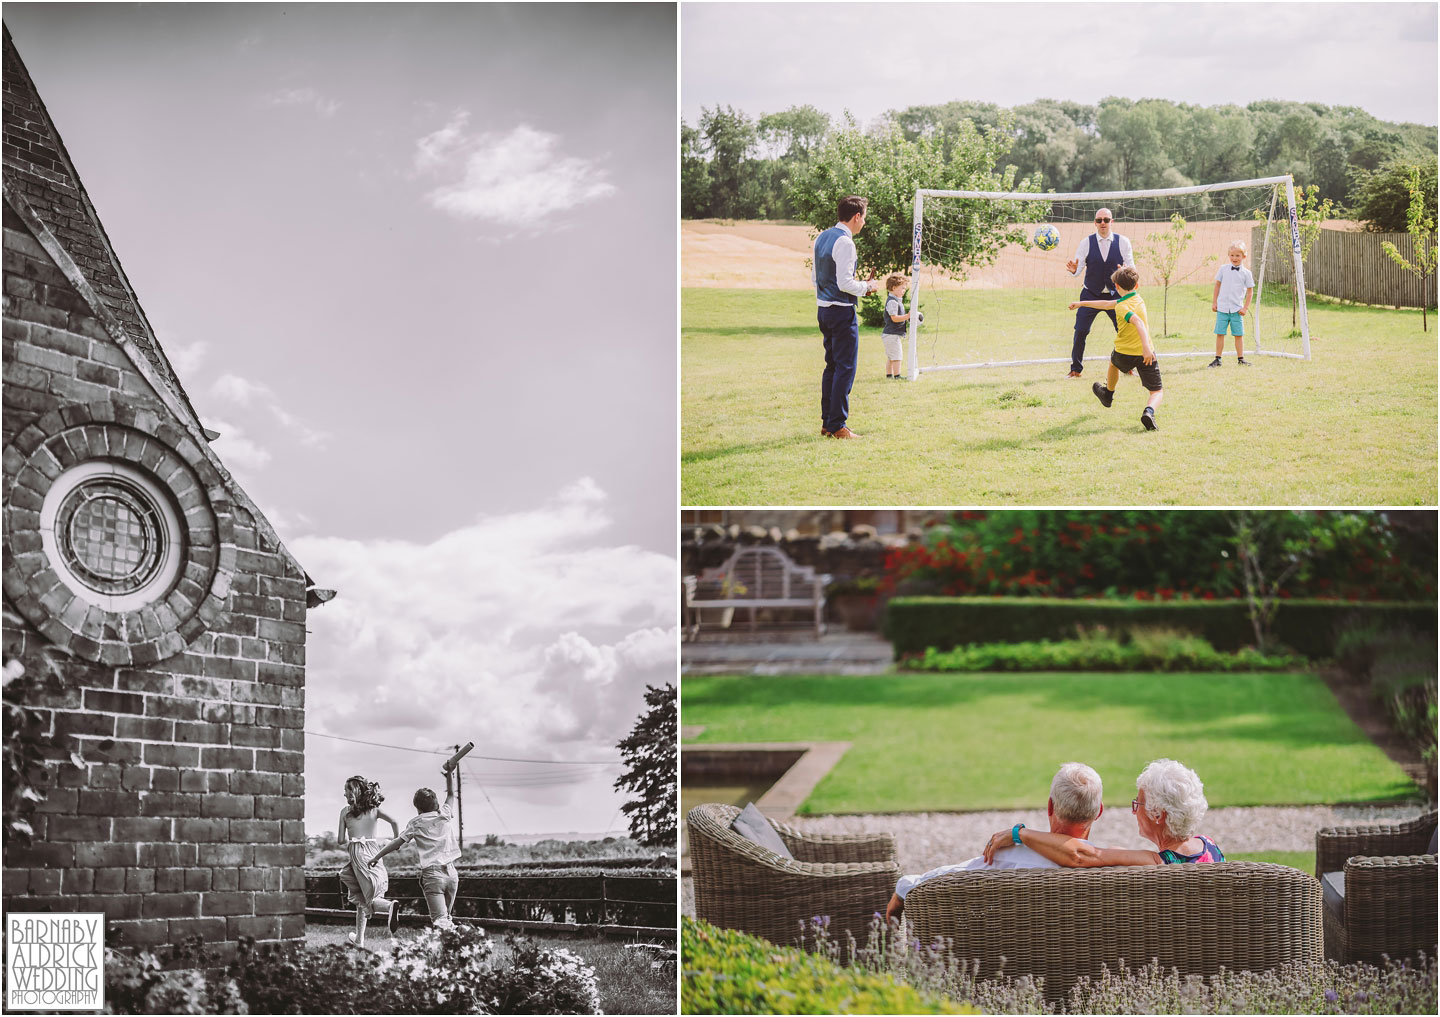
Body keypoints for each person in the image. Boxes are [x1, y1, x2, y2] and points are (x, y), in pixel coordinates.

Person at [884, 762, 1103, 922]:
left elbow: (916, 887)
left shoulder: (1003, 860)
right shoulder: (1112, 865)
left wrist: (899, 896)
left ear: (1050, 807)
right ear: (1098, 812)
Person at [983, 758, 1224, 867]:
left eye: (1137, 804)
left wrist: (1019, 833)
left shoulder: (1156, 863)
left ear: (1158, 815)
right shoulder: (1210, 846)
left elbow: (1080, 855)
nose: (1134, 811)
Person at [814, 195, 880, 438]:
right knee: (846, 368)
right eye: (864, 218)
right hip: (841, 312)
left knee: (832, 366)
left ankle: (827, 423)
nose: (864, 223)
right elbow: (844, 283)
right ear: (857, 216)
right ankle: (838, 425)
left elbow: (816, 278)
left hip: (823, 309)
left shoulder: (822, 237)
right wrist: (867, 287)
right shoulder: (845, 243)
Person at [1071, 265, 1163, 431]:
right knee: (1156, 391)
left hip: (1124, 352)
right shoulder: (1138, 299)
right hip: (1145, 354)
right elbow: (1106, 304)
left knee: (1113, 364)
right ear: (1136, 286)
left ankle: (1108, 394)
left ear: (1116, 287)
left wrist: (1080, 303)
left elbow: (1138, 322)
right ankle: (1149, 412)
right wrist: (1081, 303)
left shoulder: (1121, 306)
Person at [370, 769, 463, 929]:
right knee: (446, 919)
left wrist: (377, 856)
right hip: (452, 874)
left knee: (441, 923)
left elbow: (397, 842)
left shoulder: (416, 823)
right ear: (437, 804)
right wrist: (449, 774)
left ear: (417, 808)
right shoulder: (445, 814)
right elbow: (451, 795)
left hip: (433, 875)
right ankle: (457, 947)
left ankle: (462, 944)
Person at [1064, 207, 1135, 377]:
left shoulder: (1123, 242)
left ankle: (1128, 367)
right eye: (1099, 220)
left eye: (1106, 219)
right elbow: (1078, 270)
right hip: (1090, 293)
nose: (1102, 223)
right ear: (1094, 223)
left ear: (1112, 221)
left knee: (1125, 331)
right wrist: (1074, 270)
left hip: (1116, 295)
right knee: (1080, 330)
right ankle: (1075, 370)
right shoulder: (1086, 243)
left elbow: (1132, 267)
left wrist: (1125, 271)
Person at [337, 775, 401, 946]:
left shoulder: (345, 812)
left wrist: (352, 834)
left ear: (354, 792)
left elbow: (340, 840)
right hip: (374, 852)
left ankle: (389, 907)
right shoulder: (375, 810)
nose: (344, 795)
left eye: (346, 791)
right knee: (363, 898)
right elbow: (395, 822)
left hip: (357, 854)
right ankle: (359, 940)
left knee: (369, 899)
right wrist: (396, 842)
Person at [1209, 241, 1254, 367]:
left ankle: (1241, 359)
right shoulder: (1223, 269)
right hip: (1222, 309)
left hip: (1236, 310)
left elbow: (1250, 292)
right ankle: (1217, 359)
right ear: (1229, 255)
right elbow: (1217, 285)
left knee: (1238, 335)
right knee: (1220, 333)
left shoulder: (1247, 273)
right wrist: (1214, 302)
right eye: (1232, 255)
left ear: (1244, 256)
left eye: (1237, 255)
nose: (1234, 258)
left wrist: (1245, 308)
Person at [880, 274, 915, 379]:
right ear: (894, 288)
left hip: (890, 334)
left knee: (891, 356)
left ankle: (889, 375)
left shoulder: (896, 300)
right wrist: (907, 316)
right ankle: (897, 376)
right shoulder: (892, 301)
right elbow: (894, 318)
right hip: (891, 334)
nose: (904, 290)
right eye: (902, 288)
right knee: (897, 356)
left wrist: (906, 317)